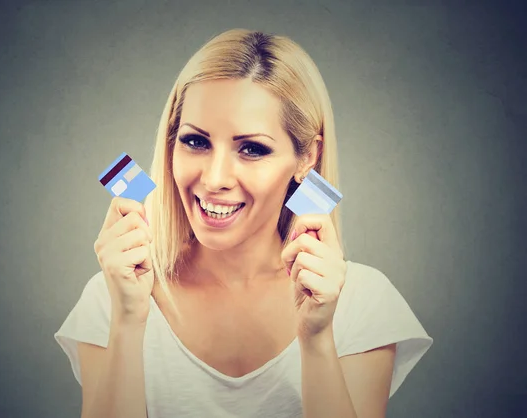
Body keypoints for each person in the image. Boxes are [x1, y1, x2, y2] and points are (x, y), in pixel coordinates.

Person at [54, 29, 433, 418]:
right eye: (196, 142)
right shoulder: (114, 293)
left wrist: (317, 339)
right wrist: (128, 320)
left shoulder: (361, 301)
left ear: (307, 158)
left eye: (252, 148)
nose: (215, 178)